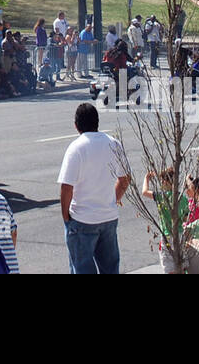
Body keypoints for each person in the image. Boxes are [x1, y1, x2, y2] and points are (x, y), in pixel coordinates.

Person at [57, 102, 129, 274]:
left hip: (82, 219)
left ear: (76, 125)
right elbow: (125, 179)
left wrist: (66, 215)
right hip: (108, 217)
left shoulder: (76, 147)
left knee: (81, 268)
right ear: (97, 122)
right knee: (110, 268)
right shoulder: (113, 143)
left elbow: (66, 187)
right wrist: (114, 198)